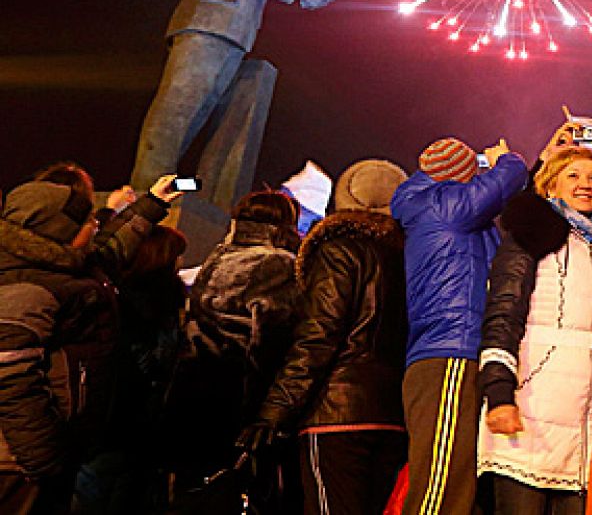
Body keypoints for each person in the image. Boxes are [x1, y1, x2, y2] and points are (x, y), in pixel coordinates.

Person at [478, 128, 592, 514]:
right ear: (550, 183)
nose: (585, 185)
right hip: (531, 400)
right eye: (572, 175)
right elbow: (503, 313)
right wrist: (499, 394)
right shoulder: (531, 236)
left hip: (586, 412)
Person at [132, 0, 338, 189]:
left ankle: (169, 187)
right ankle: (145, 189)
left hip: (235, 36)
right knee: (177, 108)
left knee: (200, 112)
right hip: (206, 27)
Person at [0, 173, 181, 514]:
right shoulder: (26, 287)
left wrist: (152, 204)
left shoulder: (65, 267)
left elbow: (111, 249)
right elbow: (10, 376)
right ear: (60, 231)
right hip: (16, 463)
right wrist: (44, 455)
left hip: (48, 454)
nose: (96, 226)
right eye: (87, 222)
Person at [240, 158, 411, 515]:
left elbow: (318, 337)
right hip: (394, 414)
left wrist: (275, 410)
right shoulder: (412, 255)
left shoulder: (339, 249)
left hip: (336, 413)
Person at [390, 136, 528, 515]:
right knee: (441, 487)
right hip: (451, 352)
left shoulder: (427, 206)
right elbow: (505, 181)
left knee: (458, 485)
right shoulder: (445, 206)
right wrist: (508, 159)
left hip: (447, 354)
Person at [165, 190, 303, 502]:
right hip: (233, 395)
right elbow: (268, 341)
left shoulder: (219, 256)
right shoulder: (279, 264)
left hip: (190, 388)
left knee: (189, 493)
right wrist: (266, 412)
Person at [73, 224, 189, 514]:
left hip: (110, 424)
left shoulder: (115, 294)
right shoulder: (154, 304)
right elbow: (152, 363)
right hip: (124, 424)